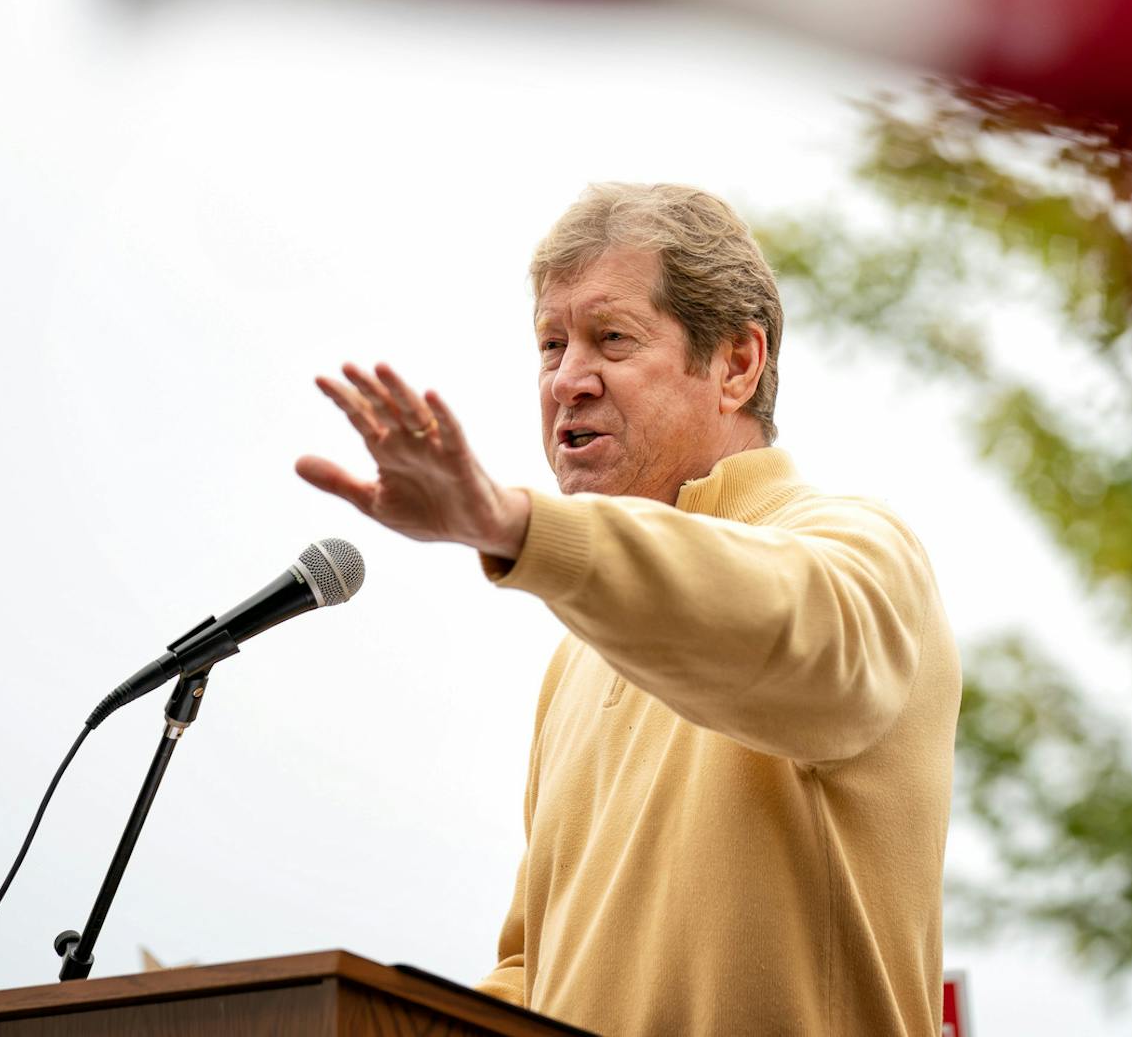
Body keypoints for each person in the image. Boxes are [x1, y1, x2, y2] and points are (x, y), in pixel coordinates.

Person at [294, 183, 960, 1037]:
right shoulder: (577, 653)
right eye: (550, 343)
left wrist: (517, 526)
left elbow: (785, 627)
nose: (568, 379)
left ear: (737, 364)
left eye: (611, 337)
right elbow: (536, 969)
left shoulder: (862, 552)